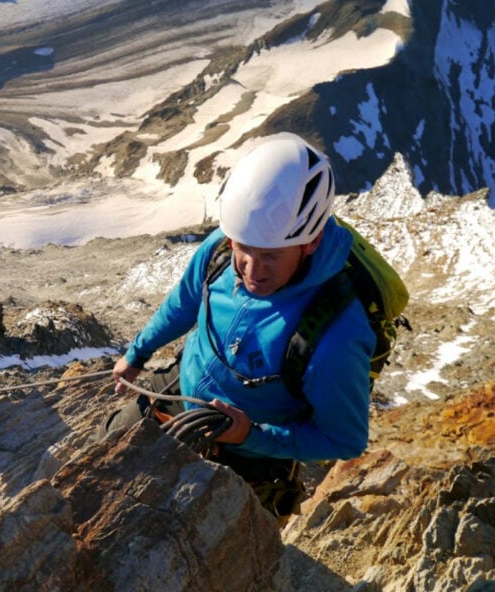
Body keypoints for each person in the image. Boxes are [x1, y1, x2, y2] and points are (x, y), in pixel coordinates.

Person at [105, 133, 376, 517]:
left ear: (311, 241)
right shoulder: (221, 248)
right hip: (176, 396)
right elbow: (183, 303)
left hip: (246, 460)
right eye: (242, 248)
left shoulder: (336, 334)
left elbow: (344, 439)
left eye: (269, 257)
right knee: (107, 454)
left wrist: (251, 435)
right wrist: (138, 353)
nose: (250, 269)